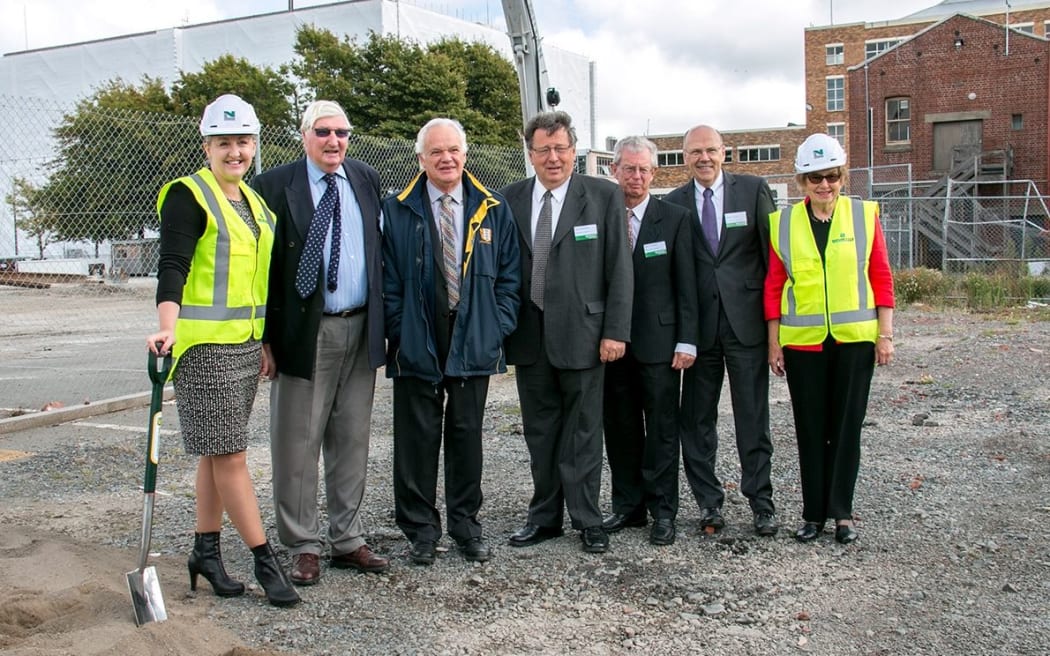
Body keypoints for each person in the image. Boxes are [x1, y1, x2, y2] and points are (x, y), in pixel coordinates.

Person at [146, 94, 299, 607]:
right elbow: (173, 266)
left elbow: (257, 282)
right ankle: (264, 559)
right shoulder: (189, 196)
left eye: (243, 142)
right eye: (224, 143)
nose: (235, 152)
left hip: (244, 346)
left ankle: (205, 552)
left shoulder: (253, 202)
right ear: (206, 144)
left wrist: (265, 342)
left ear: (254, 144)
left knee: (215, 453)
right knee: (231, 454)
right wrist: (167, 327)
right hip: (203, 349)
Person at [251, 100, 389, 586]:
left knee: (351, 438)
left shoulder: (365, 179)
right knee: (297, 440)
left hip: (360, 326)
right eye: (324, 132)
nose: (335, 141)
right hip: (306, 331)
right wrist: (266, 337)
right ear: (304, 135)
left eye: (343, 132)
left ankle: (347, 537)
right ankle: (303, 543)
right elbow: (259, 270)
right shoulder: (272, 188)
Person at [382, 118, 521, 565]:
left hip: (472, 336)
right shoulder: (398, 209)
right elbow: (386, 281)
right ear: (420, 159)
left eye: (453, 150)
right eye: (436, 152)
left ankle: (466, 526)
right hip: (418, 337)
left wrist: (494, 326)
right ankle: (421, 531)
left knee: (466, 436)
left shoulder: (493, 208)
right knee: (417, 438)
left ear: (465, 154)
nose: (446, 159)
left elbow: (509, 279)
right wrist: (401, 328)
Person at [502, 111, 633, 554]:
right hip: (529, 334)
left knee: (582, 431)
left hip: (585, 333)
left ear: (574, 152)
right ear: (531, 153)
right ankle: (544, 518)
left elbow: (620, 269)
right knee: (540, 432)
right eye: (544, 149)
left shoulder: (602, 196)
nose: (553, 157)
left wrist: (615, 331)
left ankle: (587, 518)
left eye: (561, 148)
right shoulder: (510, 199)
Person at [765, 133, 895, 545]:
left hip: (854, 342)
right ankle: (812, 514)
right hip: (804, 345)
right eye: (815, 178)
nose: (825, 185)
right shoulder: (783, 223)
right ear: (802, 181)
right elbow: (773, 286)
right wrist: (774, 343)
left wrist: (885, 335)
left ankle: (842, 513)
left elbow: (881, 276)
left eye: (832, 176)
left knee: (845, 428)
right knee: (810, 428)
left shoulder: (862, 216)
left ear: (842, 177)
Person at [663, 124, 779, 537]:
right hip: (699, 331)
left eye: (711, 150)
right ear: (684, 156)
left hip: (746, 324)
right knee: (696, 421)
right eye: (695, 152)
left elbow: (771, 263)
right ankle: (708, 503)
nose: (704, 158)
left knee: (753, 417)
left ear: (724, 153)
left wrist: (773, 332)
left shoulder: (753, 190)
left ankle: (761, 503)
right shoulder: (674, 203)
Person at [600, 136, 698, 546]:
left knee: (660, 430)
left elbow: (687, 285)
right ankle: (628, 506)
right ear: (614, 170)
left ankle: (663, 511)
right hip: (613, 346)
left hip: (660, 346)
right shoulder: (601, 217)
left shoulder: (673, 218)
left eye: (643, 170)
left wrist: (687, 340)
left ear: (654, 174)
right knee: (619, 428)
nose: (636, 177)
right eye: (628, 169)